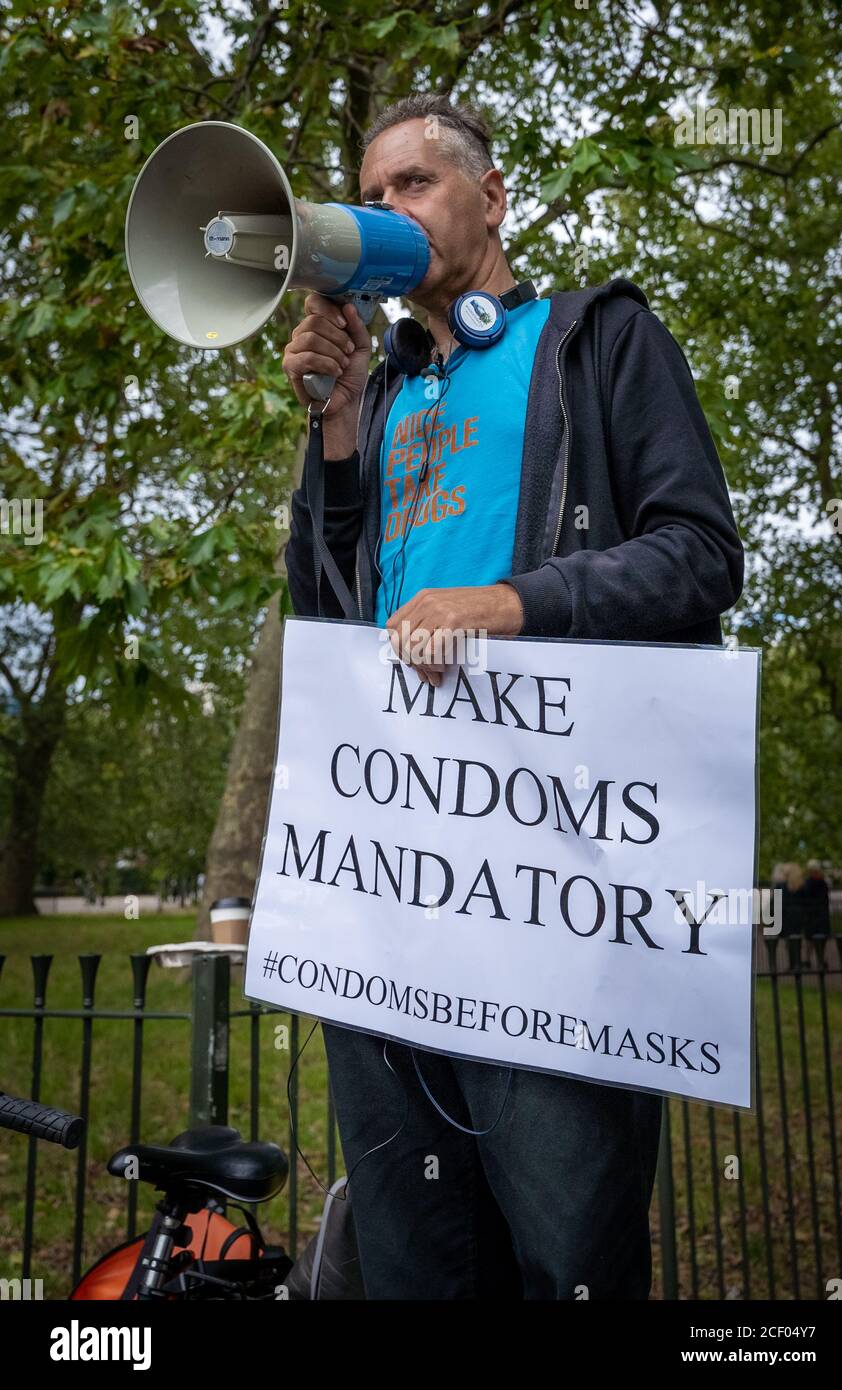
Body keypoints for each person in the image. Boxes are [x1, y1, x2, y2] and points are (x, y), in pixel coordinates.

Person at [282, 94, 745, 1300]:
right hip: (392, 887)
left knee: (566, 1251)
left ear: (490, 200)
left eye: (410, 186)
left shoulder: (593, 342)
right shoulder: (377, 395)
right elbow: (327, 618)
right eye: (366, 194)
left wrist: (516, 601)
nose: (381, 211)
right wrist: (332, 432)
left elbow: (699, 551)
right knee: (409, 1255)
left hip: (548, 889)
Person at [801, 858, 831, 939]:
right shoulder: (822, 882)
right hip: (818, 914)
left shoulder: (809, 882)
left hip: (813, 914)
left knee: (814, 938)